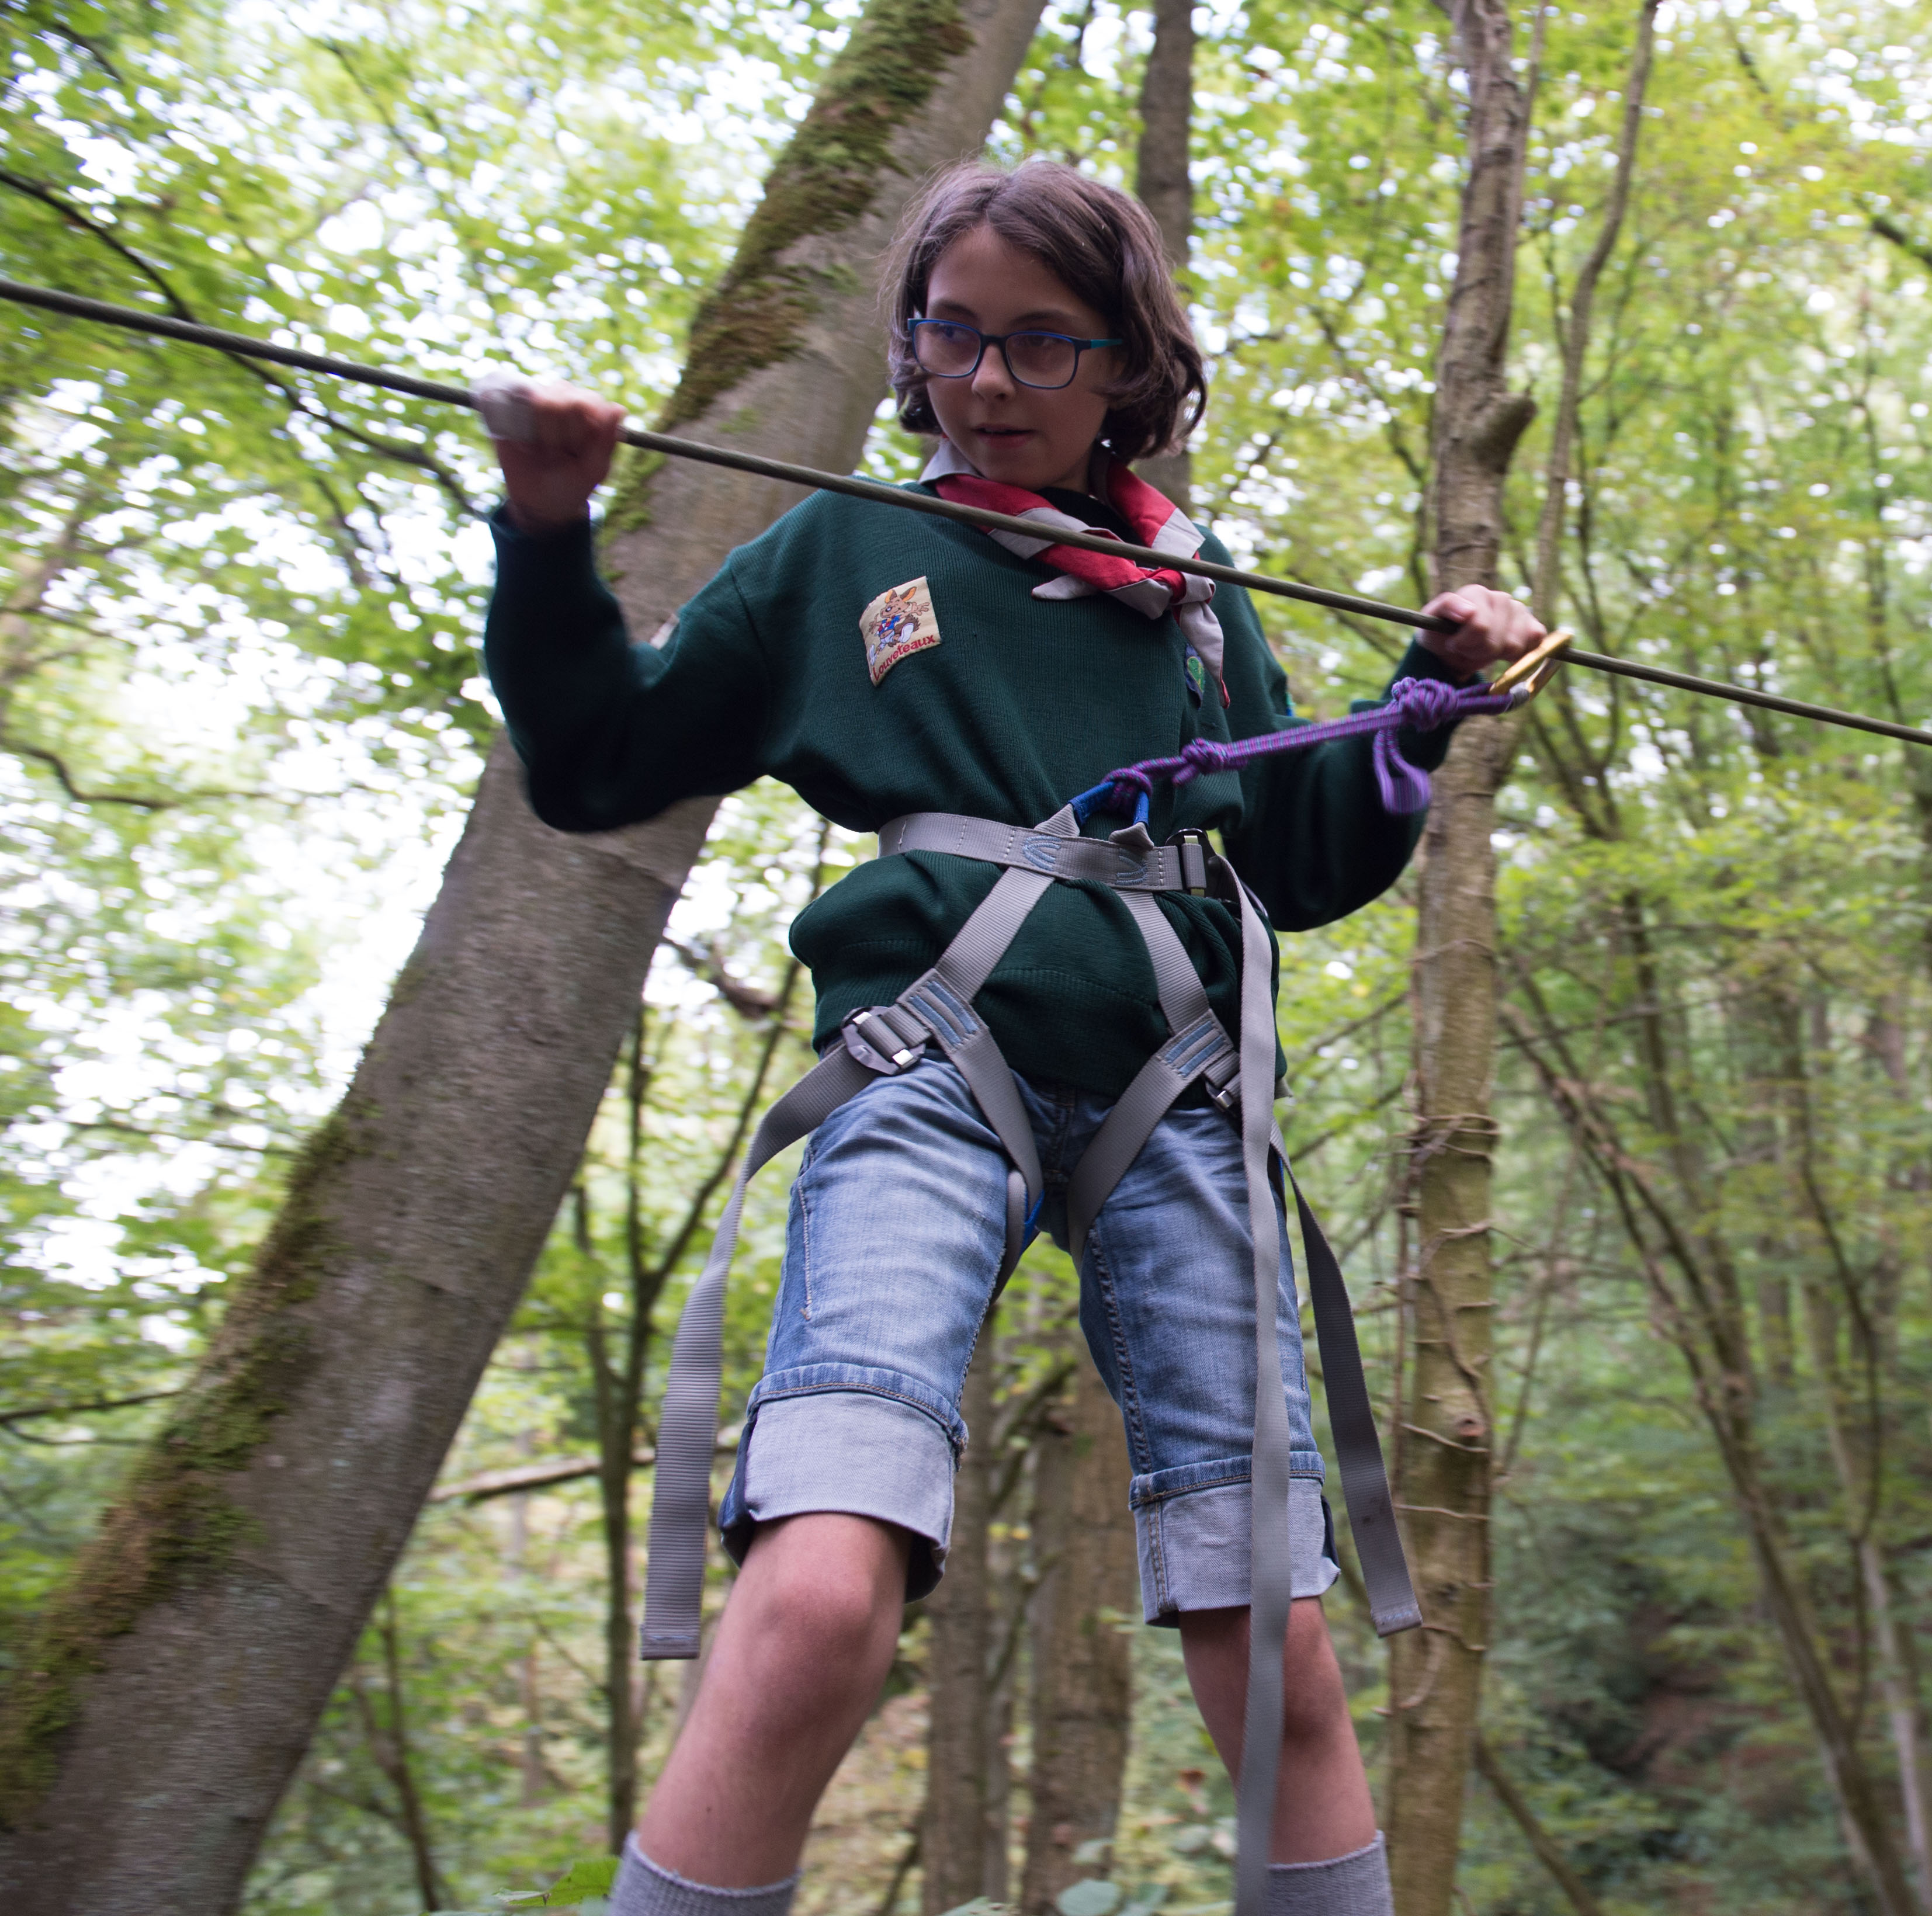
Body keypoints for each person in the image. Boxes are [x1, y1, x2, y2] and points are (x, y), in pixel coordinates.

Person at [483, 160, 1542, 1916]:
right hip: (927, 1064)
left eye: (1044, 342)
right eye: (953, 333)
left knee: (1277, 1646)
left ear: (1128, 364)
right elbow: (596, 761)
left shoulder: (1191, 590)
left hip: (1178, 1089)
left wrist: (1415, 715)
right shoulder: (843, 550)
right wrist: (543, 534)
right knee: (819, 1601)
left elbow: (1298, 863)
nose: (988, 379)